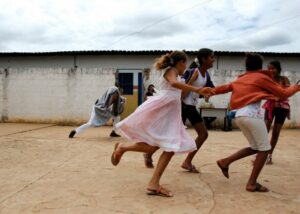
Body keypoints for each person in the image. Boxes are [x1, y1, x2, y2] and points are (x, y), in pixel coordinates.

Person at [110, 51, 214, 197]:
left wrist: (201, 91)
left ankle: (124, 148)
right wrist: (197, 88)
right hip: (164, 111)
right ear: (180, 62)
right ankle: (152, 183)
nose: (186, 67)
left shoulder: (176, 73)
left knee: (157, 145)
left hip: (171, 113)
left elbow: (179, 88)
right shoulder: (171, 71)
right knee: (168, 147)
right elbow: (173, 83)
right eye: (185, 63)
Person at [213, 53, 300, 192]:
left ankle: (225, 161)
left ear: (247, 66)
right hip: (251, 115)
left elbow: (224, 88)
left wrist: (208, 91)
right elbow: (283, 94)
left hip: (239, 115)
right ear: (260, 67)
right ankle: (252, 183)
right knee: (265, 149)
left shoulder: (241, 78)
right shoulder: (262, 77)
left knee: (255, 147)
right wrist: (296, 88)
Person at [142, 48, 216, 172]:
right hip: (182, 106)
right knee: (170, 136)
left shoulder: (206, 75)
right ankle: (148, 152)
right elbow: (181, 92)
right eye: (212, 57)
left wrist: (207, 94)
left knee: (201, 134)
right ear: (204, 59)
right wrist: (193, 82)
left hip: (190, 106)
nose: (214, 60)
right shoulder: (191, 71)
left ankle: (186, 161)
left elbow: (211, 89)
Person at [261, 60, 291, 164]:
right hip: (270, 107)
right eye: (269, 68)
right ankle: (261, 154)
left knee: (276, 133)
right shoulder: (267, 80)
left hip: (282, 108)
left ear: (278, 69)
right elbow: (263, 93)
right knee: (265, 131)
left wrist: (281, 95)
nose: (271, 70)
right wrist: (274, 96)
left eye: (273, 68)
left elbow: (288, 92)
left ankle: (269, 155)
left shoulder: (284, 79)